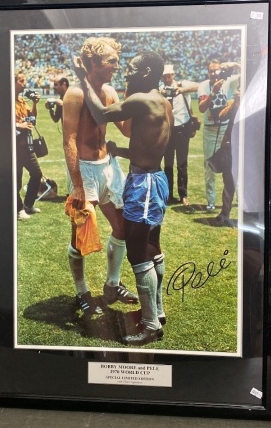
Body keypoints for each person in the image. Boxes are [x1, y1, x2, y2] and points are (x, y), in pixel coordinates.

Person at [73, 50, 173, 346]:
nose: (125, 72)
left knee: (137, 250)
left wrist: (81, 77)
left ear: (145, 73)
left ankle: (151, 326)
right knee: (152, 245)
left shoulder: (141, 100)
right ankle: (158, 311)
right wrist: (124, 152)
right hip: (154, 179)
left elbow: (101, 113)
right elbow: (154, 146)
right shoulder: (162, 101)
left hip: (144, 184)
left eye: (130, 68)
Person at [62, 37, 138, 316]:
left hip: (108, 167)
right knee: (81, 236)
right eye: (111, 61)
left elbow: (127, 130)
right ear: (92, 63)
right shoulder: (75, 94)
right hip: (85, 171)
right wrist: (78, 185)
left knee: (122, 229)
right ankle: (83, 292)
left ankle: (112, 285)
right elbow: (69, 141)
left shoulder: (110, 91)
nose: (116, 66)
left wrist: (132, 93)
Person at [198, 59, 240, 225]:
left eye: (217, 70)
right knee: (209, 167)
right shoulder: (204, 85)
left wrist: (235, 65)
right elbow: (201, 108)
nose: (214, 73)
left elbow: (247, 74)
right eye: (211, 71)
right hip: (210, 129)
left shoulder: (229, 82)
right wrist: (213, 93)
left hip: (226, 129)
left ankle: (229, 203)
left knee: (229, 168)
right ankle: (211, 201)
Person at [160, 64, 199, 206]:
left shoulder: (182, 85)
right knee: (168, 164)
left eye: (169, 76)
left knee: (182, 163)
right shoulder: (160, 89)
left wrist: (181, 90)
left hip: (182, 129)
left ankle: (183, 195)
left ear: (173, 75)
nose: (167, 79)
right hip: (169, 130)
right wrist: (161, 94)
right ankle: (168, 195)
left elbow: (198, 86)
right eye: (164, 76)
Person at [15, 71, 43, 220]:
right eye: (21, 81)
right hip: (14, 146)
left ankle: (28, 205)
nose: (24, 83)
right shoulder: (6, 101)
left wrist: (35, 104)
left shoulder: (21, 100)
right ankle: (19, 210)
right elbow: (2, 122)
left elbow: (32, 118)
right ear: (12, 83)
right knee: (16, 180)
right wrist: (19, 125)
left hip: (26, 145)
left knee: (37, 174)